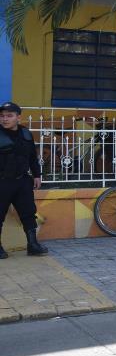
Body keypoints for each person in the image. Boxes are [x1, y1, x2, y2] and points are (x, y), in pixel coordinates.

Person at [0, 102, 48, 258]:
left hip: (22, 181)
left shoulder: (26, 134)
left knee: (28, 213)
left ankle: (33, 245)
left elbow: (33, 157)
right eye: (2, 116)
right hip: (2, 181)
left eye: (9, 115)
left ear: (18, 117)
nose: (4, 119)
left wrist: (37, 175)